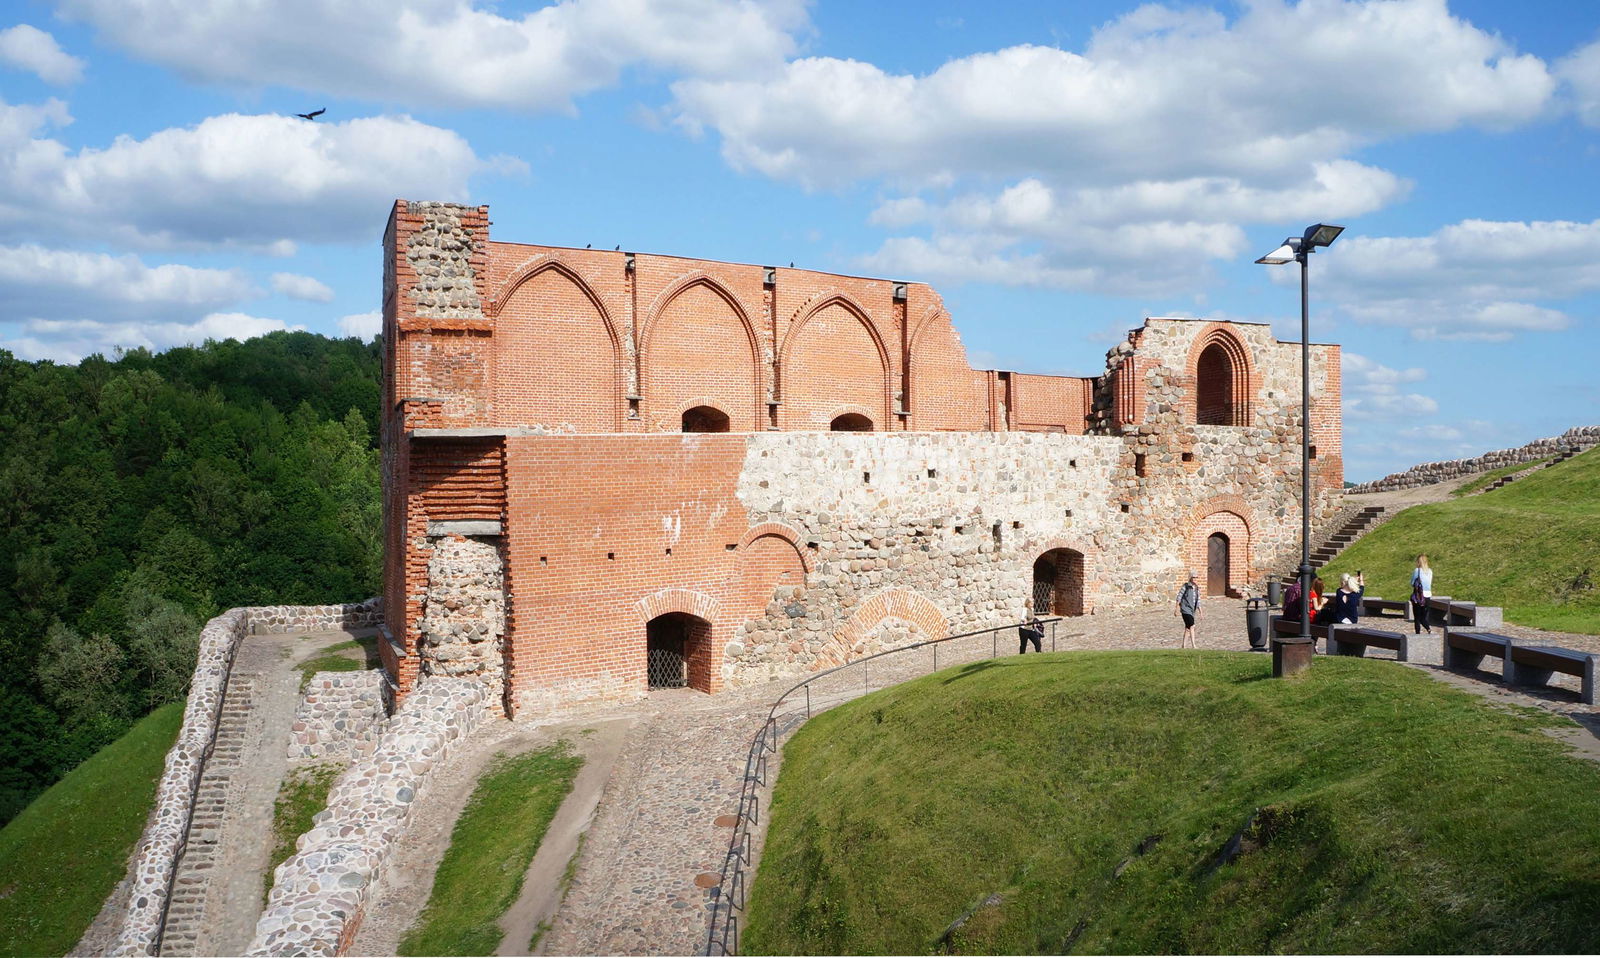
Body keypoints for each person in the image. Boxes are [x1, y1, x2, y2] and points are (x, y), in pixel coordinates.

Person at [1410, 554, 1434, 634]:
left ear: (1418, 562)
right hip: (1428, 596)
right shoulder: (1430, 571)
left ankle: (1417, 634)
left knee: (1417, 617)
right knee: (1423, 617)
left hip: (1419, 596)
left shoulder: (1417, 570)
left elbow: (1412, 583)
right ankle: (1428, 629)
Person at [1176, 571, 1200, 648]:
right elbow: (1179, 597)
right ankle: (1194, 645)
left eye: (1196, 577)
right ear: (1190, 578)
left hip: (1192, 610)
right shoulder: (1186, 586)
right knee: (1192, 626)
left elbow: (1198, 600)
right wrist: (1176, 609)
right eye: (1193, 577)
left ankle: (1184, 645)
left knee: (1188, 628)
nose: (1195, 579)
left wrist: (1200, 611)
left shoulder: (1196, 588)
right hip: (1185, 609)